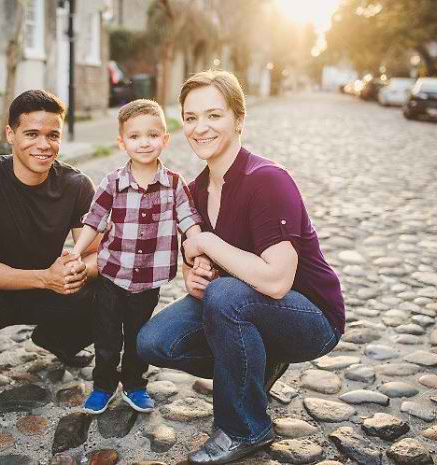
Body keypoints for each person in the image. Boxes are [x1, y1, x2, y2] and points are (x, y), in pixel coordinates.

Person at [137, 70, 345, 465]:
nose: (201, 128)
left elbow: (277, 280)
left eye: (214, 115)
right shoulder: (197, 189)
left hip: (311, 318)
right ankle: (256, 370)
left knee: (225, 295)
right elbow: (195, 261)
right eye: (191, 117)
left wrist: (210, 245)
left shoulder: (267, 180)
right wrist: (195, 275)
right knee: (155, 342)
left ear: (238, 119)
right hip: (242, 302)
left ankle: (244, 428)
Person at [0, 89, 100, 423]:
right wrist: (44, 277)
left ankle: (55, 338)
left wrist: (75, 270)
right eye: (32, 134)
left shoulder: (76, 184)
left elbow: (100, 255)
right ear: (10, 134)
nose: (44, 145)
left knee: (110, 289)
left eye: (52, 135)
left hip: (47, 290)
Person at [70, 99, 203, 414]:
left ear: (165, 139)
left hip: (148, 281)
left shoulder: (174, 184)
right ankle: (103, 386)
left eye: (152, 135)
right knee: (106, 339)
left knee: (137, 338)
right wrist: (75, 252)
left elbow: (190, 223)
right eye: (135, 136)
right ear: (122, 142)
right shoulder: (113, 182)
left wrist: (199, 253)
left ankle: (135, 385)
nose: (144, 143)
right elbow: (93, 221)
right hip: (112, 277)